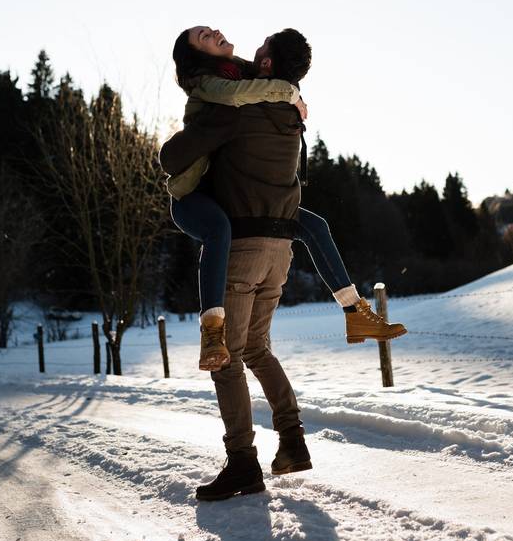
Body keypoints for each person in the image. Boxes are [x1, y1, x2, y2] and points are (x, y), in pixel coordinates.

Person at [164, 25, 406, 373]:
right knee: (218, 230)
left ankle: (354, 311)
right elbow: (243, 94)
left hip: (223, 191)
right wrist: (290, 94)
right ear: (200, 55)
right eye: (204, 37)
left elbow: (265, 76)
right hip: (191, 194)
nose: (214, 31)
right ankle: (212, 331)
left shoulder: (241, 71)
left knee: (315, 226)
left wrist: (289, 93)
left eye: (209, 29)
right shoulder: (208, 82)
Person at [161, 29, 314, 500]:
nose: (253, 48)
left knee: (225, 359)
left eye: (262, 46)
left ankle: (242, 463)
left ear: (266, 66)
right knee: (257, 349)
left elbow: (175, 156)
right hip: (281, 250)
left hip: (242, 250)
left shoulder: (236, 109)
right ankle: (291, 440)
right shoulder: (293, 115)